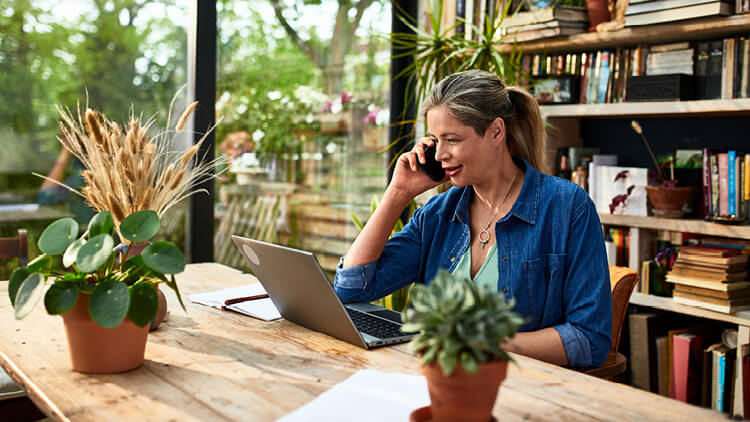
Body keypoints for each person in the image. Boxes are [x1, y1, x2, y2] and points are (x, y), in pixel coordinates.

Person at [333, 70, 611, 368]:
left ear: (495, 132)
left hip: (519, 390)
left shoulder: (567, 207)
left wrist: (484, 343)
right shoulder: (438, 214)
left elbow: (588, 339)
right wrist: (398, 193)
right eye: (435, 141)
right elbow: (351, 288)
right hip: (428, 381)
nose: (439, 154)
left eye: (452, 139)